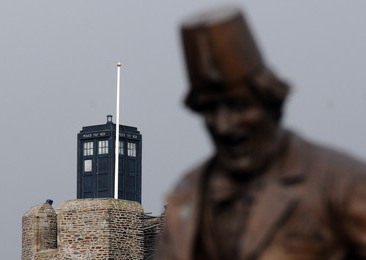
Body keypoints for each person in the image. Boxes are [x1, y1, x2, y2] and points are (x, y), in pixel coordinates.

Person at [156, 7, 366, 260]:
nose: (224, 126)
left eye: (238, 105)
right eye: (210, 109)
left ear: (269, 101)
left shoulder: (342, 184)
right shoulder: (188, 197)